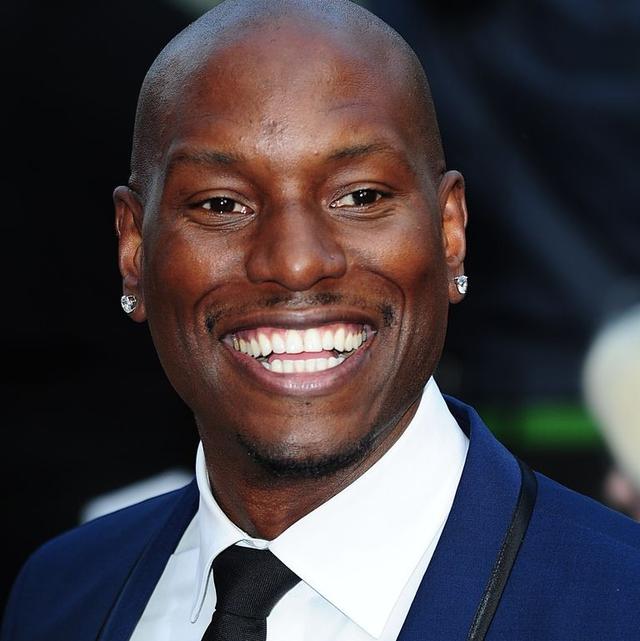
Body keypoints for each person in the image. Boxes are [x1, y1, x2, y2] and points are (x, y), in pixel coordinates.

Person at [2, 1, 639, 640]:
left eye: (360, 197)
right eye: (221, 204)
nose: (296, 263)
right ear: (134, 250)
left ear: (450, 234)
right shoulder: (60, 596)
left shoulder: (618, 601)